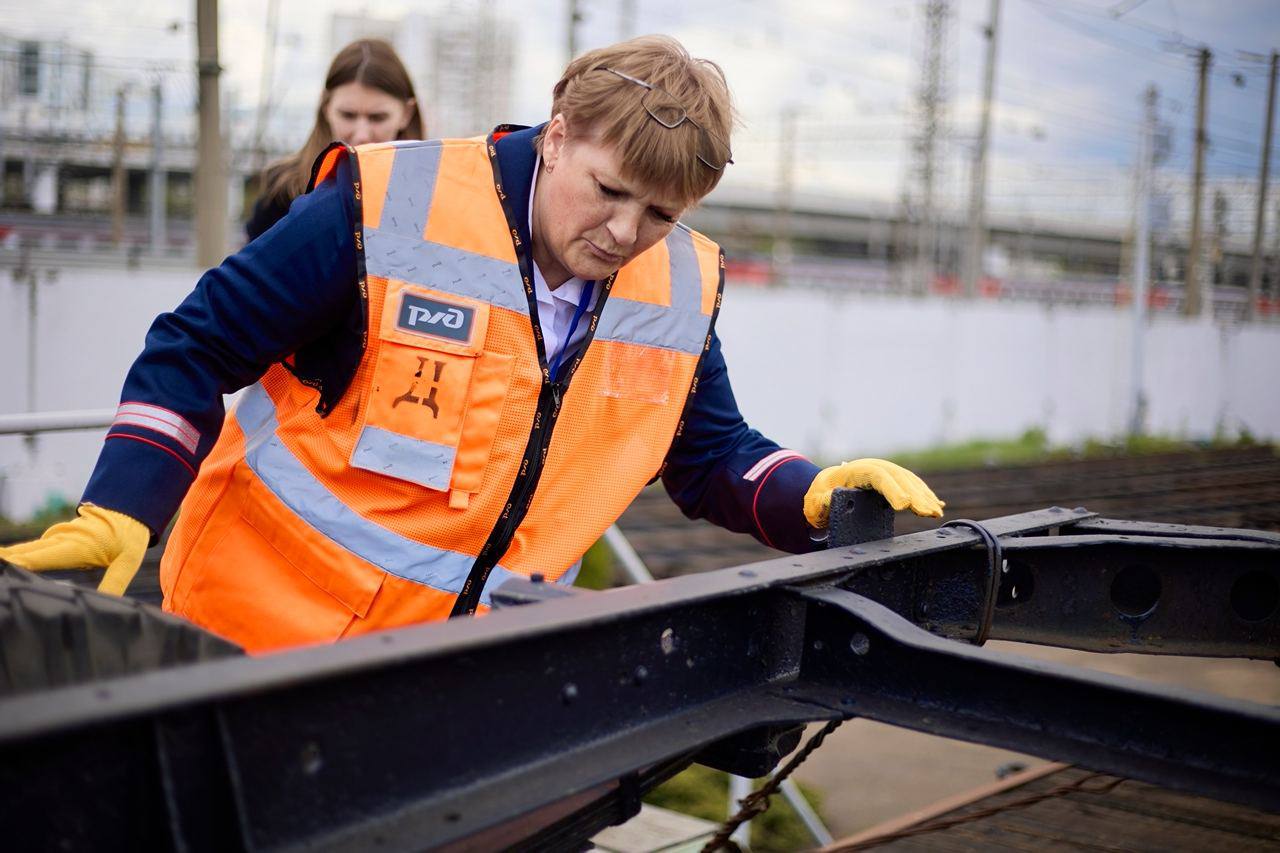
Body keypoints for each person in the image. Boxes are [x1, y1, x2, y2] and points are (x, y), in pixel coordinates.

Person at [0, 36, 943, 653]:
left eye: (660, 213)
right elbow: (196, 345)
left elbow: (709, 456)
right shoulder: (385, 209)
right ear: (559, 134)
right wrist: (122, 504)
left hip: (460, 674)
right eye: (608, 191)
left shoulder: (680, 285)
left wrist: (812, 493)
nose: (625, 231)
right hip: (252, 643)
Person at [245, 38, 423, 241]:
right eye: (348, 115)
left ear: (406, 114)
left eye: (377, 118)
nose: (362, 134)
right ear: (326, 107)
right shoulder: (282, 190)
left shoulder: (432, 193)